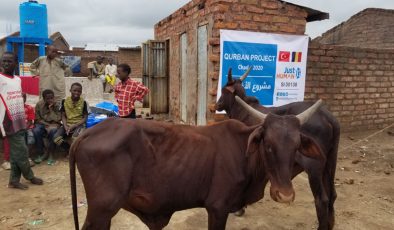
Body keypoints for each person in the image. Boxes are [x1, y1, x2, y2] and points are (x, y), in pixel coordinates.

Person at [0, 52, 43, 189]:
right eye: (3, 61)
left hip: (20, 120)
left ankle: (13, 180)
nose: (6, 64)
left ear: (15, 63)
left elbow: (18, 100)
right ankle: (30, 176)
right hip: (8, 122)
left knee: (15, 154)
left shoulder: (18, 80)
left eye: (9, 61)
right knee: (22, 152)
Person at [53, 83, 88, 162]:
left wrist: (74, 125)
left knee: (75, 138)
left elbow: (85, 117)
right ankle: (69, 150)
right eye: (74, 90)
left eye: (79, 91)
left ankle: (74, 154)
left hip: (79, 124)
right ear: (70, 90)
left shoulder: (84, 102)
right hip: (67, 124)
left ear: (81, 92)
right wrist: (65, 126)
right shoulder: (64, 101)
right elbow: (63, 115)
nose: (76, 93)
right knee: (56, 138)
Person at [32, 89, 62, 165]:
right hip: (43, 124)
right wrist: (46, 125)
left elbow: (58, 118)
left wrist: (51, 109)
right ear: (44, 99)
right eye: (47, 99)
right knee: (36, 131)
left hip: (55, 124)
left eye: (52, 98)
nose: (50, 100)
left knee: (53, 131)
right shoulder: (39, 104)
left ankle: (51, 154)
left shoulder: (57, 105)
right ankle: (42, 153)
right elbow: (37, 119)